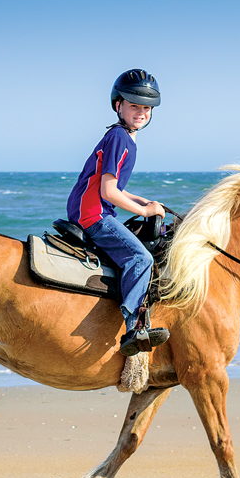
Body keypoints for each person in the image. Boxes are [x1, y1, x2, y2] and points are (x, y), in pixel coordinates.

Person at [66, 68, 169, 356]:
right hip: (95, 215)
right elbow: (108, 193)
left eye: (146, 108)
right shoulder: (120, 138)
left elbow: (117, 189)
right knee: (141, 257)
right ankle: (134, 328)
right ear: (118, 105)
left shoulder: (121, 137)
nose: (141, 112)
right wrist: (144, 213)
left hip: (92, 209)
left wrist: (145, 202)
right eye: (134, 105)